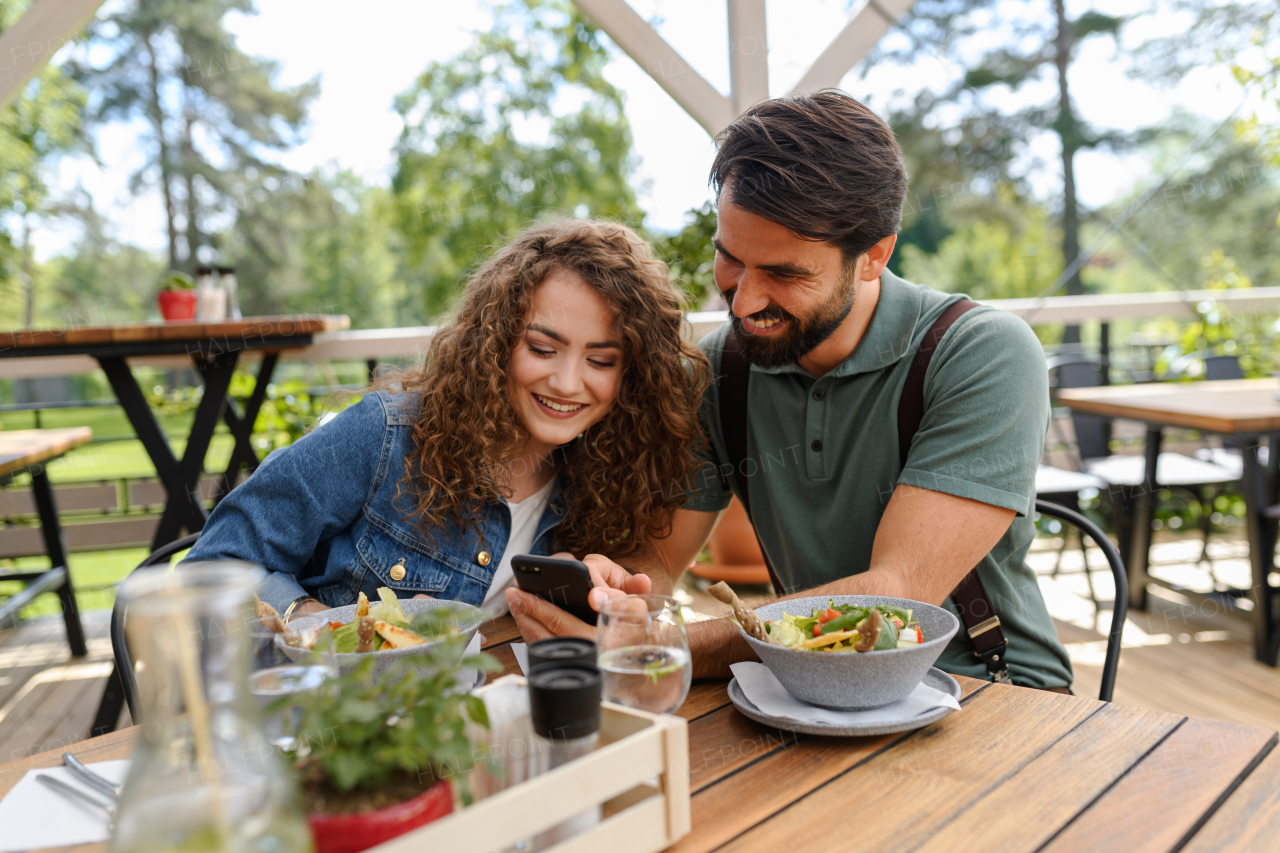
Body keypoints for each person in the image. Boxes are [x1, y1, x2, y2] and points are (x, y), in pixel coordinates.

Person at [507, 92, 1074, 691]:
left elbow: (897, 594)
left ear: (874, 256)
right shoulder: (721, 368)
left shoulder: (983, 353)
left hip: (990, 692)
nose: (744, 302)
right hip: (802, 687)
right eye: (730, 258)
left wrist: (663, 645)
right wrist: (619, 594)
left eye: (784, 274)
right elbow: (660, 562)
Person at [185, 219, 709, 621]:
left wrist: (590, 591)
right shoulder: (384, 436)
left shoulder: (599, 472)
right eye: (543, 348)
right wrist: (316, 627)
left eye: (601, 360)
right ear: (497, 341)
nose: (569, 383)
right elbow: (210, 568)